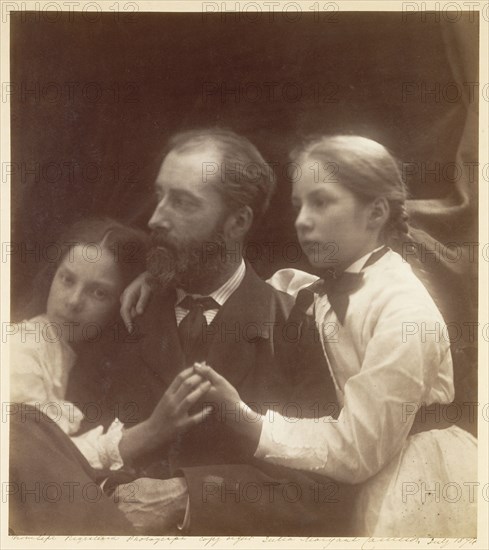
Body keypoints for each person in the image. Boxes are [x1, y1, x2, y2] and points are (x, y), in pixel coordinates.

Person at [190, 135, 478, 537]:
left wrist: (251, 423)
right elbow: (263, 288)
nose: (302, 220)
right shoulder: (317, 290)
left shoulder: (405, 311)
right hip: (363, 474)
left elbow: (358, 451)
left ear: (375, 212)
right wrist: (159, 277)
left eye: (321, 202)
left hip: (418, 483)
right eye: (298, 205)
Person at [73, 128, 351, 535]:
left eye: (183, 202)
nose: (156, 218)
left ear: (237, 221)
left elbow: (324, 490)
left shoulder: (296, 327)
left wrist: (189, 498)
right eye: (160, 195)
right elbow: (62, 451)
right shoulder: (120, 310)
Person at [9, 218, 213, 535]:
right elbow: (45, 465)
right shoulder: (20, 351)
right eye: (67, 279)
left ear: (124, 300)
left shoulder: (102, 357)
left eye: (99, 293)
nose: (74, 301)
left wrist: (154, 281)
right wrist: (151, 431)